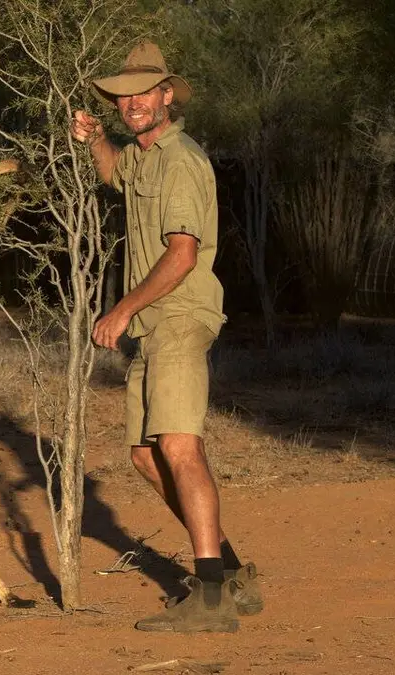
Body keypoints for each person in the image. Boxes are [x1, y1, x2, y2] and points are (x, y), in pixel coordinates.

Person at [71, 41, 263, 633]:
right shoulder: (142, 154)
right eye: (124, 95)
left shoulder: (181, 160)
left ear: (167, 96)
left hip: (177, 316)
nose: (132, 103)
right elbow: (113, 172)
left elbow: (182, 256)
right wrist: (95, 139)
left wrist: (121, 310)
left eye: (143, 92)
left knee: (180, 448)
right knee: (145, 457)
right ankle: (228, 573)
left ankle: (209, 599)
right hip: (155, 324)